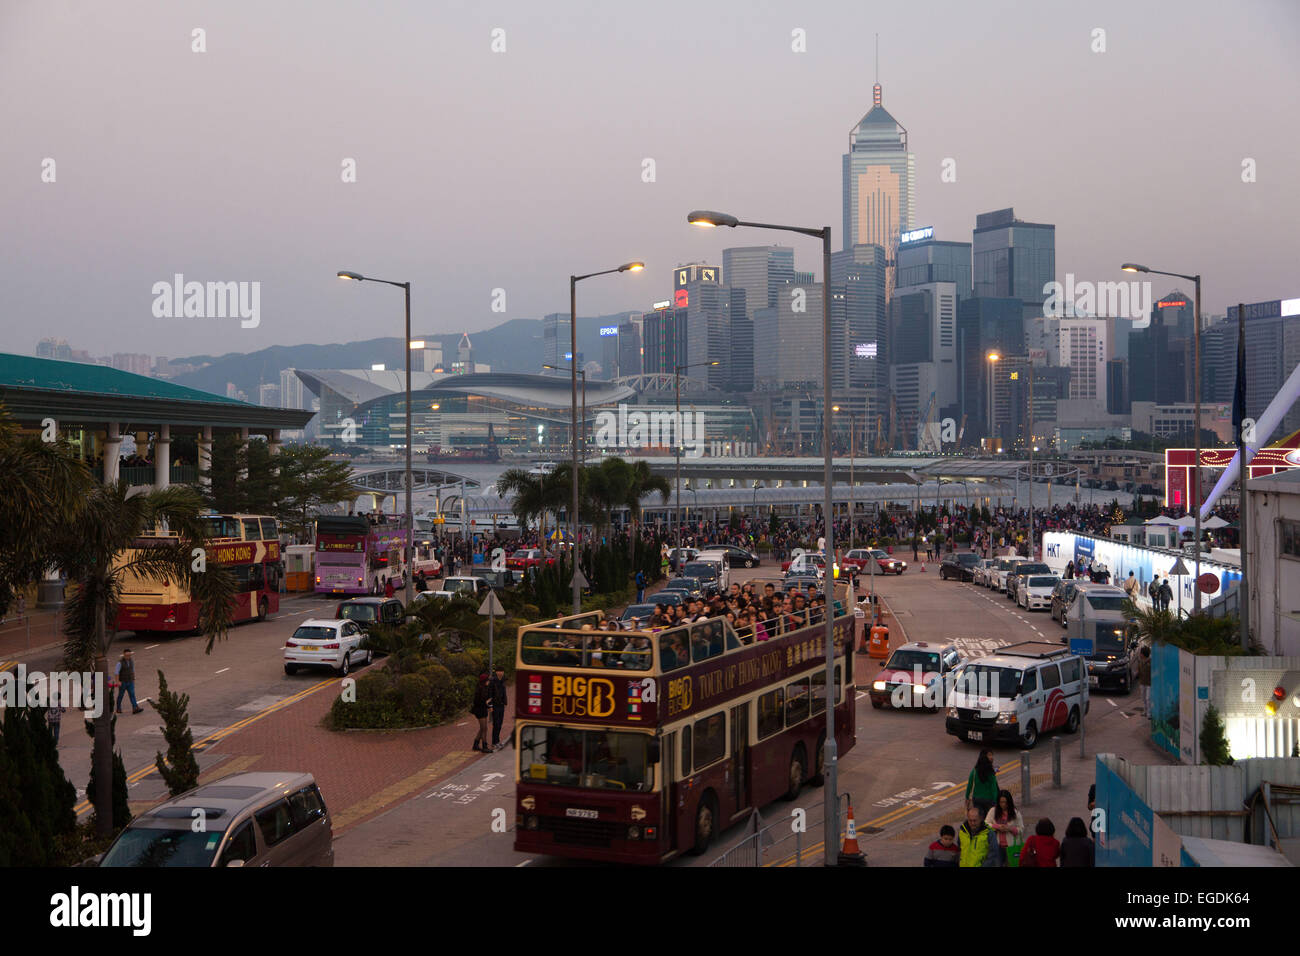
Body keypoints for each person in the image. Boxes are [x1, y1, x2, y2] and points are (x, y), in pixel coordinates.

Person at [984, 789, 1025, 866]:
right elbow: (985, 824)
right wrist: (997, 827)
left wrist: (1010, 829)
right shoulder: (993, 811)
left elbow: (1021, 829)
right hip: (997, 846)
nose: (1003, 805)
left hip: (1011, 846)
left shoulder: (1015, 813)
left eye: (1005, 802)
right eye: (1001, 802)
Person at [965, 749, 999, 818]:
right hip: (989, 800)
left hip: (976, 799)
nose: (992, 757)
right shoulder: (990, 772)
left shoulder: (974, 771)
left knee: (979, 818)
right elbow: (993, 788)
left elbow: (970, 785)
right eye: (989, 755)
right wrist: (996, 801)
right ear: (984, 757)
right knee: (988, 819)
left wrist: (967, 797)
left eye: (992, 755)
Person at [114, 648, 143, 714]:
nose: (128, 657)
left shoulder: (131, 661)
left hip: (130, 681)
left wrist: (133, 678)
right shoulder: (120, 663)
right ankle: (118, 708)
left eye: (129, 655)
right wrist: (118, 681)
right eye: (127, 655)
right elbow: (116, 672)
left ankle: (135, 708)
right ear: (124, 655)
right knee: (121, 695)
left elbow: (132, 670)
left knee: (132, 694)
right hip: (123, 682)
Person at [487, 665, 508, 751]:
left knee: (500, 724)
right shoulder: (492, 681)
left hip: (501, 705)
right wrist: (490, 706)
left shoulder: (503, 680)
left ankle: (497, 741)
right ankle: (494, 742)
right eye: (499, 671)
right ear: (496, 672)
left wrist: (504, 701)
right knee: (496, 724)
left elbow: (504, 692)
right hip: (495, 706)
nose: (501, 673)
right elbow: (489, 694)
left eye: (502, 671)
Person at [470, 673, 491, 753]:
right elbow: (477, 701)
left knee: (483, 728)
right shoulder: (479, 689)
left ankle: (475, 744)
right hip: (479, 710)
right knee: (484, 728)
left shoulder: (485, 688)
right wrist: (486, 702)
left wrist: (488, 704)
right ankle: (484, 746)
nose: (489, 681)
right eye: (487, 680)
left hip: (483, 710)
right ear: (484, 681)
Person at [1137, 645, 1152, 715]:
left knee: (1148, 698)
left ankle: (1149, 713)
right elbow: (1139, 671)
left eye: (1141, 653)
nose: (1140, 654)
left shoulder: (1150, 662)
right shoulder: (1140, 661)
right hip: (1142, 682)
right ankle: (1145, 711)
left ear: (1143, 654)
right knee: (1143, 698)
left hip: (1149, 683)